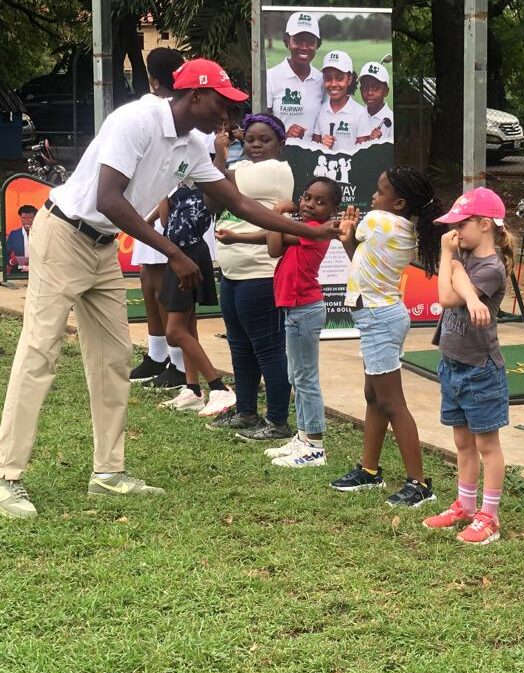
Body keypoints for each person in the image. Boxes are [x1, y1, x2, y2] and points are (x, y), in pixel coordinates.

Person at [0, 58, 340, 521]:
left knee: (114, 356)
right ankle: (6, 477)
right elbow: (108, 198)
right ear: (195, 94)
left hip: (100, 248)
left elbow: (236, 201)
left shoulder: (195, 143)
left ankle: (108, 472)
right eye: (222, 102)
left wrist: (311, 231)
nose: (227, 114)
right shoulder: (135, 120)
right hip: (65, 233)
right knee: (40, 352)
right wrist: (174, 253)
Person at [330, 167, 442, 498]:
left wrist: (347, 226)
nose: (373, 197)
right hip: (377, 316)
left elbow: (346, 227)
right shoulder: (396, 226)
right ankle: (369, 469)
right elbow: (360, 262)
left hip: (379, 318)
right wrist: (349, 240)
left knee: (392, 402)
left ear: (399, 202)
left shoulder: (380, 222)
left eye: (380, 193)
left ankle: (419, 485)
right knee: (374, 397)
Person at [419, 188, 514, 541]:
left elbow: (445, 296)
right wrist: (453, 261)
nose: (454, 232)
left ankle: (489, 516)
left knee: (487, 445)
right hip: (452, 364)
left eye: (462, 224)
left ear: (485, 224)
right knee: (462, 442)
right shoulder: (463, 257)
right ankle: (465, 505)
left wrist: (450, 257)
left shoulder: (491, 267)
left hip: (480, 370)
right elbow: (455, 274)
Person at [208, 114, 295, 440]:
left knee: (268, 348)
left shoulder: (275, 171)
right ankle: (246, 412)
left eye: (265, 140)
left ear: (281, 144)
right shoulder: (240, 168)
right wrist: (221, 160)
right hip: (232, 271)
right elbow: (211, 198)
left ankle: (277, 422)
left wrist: (220, 157)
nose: (256, 145)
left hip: (260, 272)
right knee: (239, 345)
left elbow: (222, 188)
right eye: (250, 140)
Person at [263, 178, 339, 468]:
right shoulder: (302, 229)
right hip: (294, 309)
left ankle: (315, 448)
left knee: (306, 379)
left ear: (333, 210)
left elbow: (272, 247)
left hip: (305, 310)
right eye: (307, 197)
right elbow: (274, 243)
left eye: (320, 202)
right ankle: (304, 436)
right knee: (297, 377)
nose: (309, 204)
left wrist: (277, 212)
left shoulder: (317, 231)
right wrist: (278, 217)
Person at [129, 47, 189, 389]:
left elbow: (178, 178)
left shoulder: (180, 117)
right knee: (148, 283)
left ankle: (178, 363)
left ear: (152, 79)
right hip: (147, 213)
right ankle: (156, 354)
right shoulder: (152, 113)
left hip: (171, 216)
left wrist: (154, 216)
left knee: (169, 288)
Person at [154, 184, 236, 417]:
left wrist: (219, 153)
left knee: (174, 331)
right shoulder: (176, 189)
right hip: (176, 253)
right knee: (188, 327)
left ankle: (218, 387)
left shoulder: (205, 188)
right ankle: (193, 390)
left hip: (190, 255)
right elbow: (164, 222)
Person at [266, 11, 324, 141]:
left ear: (317, 44)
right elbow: (263, 125)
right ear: (287, 41)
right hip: (280, 156)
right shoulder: (271, 77)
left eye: (310, 41)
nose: (304, 47)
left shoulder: (321, 80)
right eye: (298, 40)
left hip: (314, 157)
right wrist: (284, 136)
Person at [311, 50, 364, 150]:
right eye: (328, 78)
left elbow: (365, 154)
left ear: (349, 79)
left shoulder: (360, 113)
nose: (333, 84)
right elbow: (314, 149)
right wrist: (322, 146)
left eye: (339, 78)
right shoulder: (321, 110)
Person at [355, 61, 393, 146]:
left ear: (386, 91)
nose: (369, 92)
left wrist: (377, 144)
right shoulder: (357, 114)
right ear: (360, 90)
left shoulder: (392, 119)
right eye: (365, 88)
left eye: (375, 88)